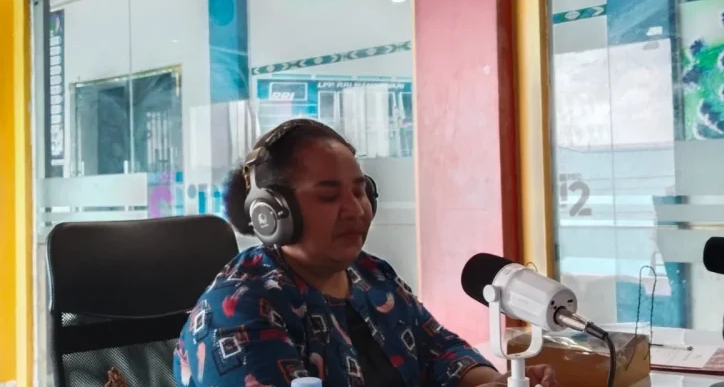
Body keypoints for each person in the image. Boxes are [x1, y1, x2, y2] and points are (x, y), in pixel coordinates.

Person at [173, 118, 558, 387]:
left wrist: (492, 382)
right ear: (273, 213)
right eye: (329, 196)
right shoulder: (238, 309)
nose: (356, 210)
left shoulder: (372, 275)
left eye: (360, 191)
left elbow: (440, 351)